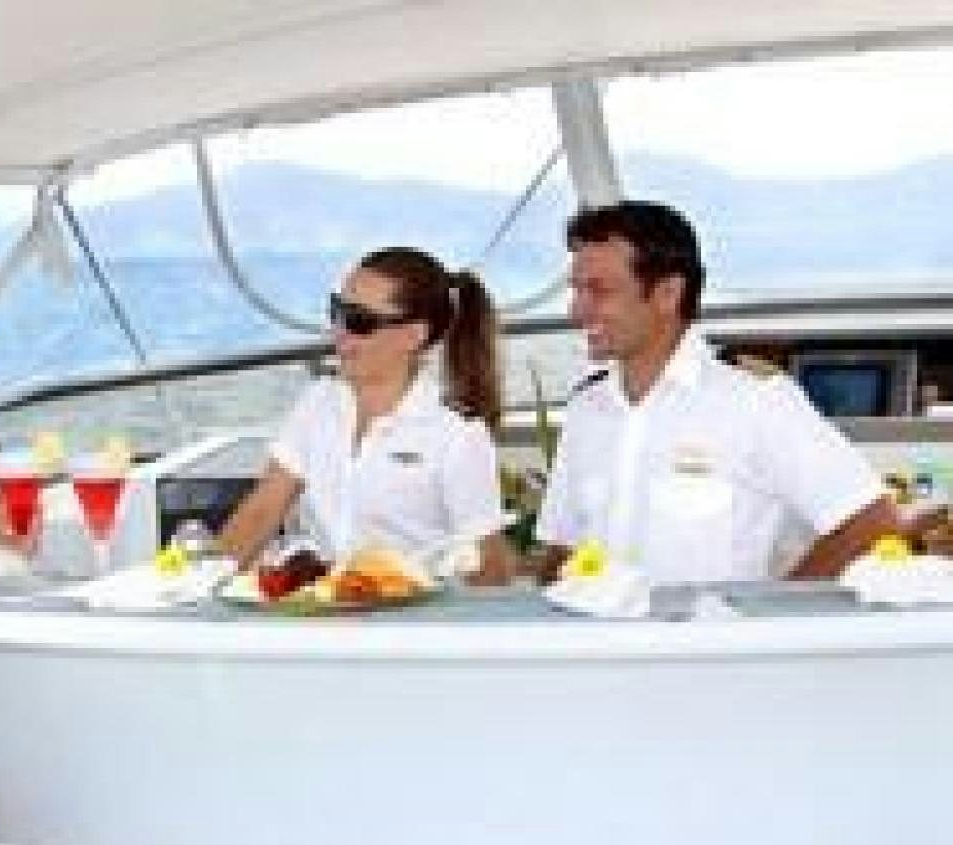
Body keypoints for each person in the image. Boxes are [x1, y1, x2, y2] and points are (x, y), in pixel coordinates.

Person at [537, 200, 896, 584]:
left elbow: (871, 522)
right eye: (577, 290)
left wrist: (770, 617)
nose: (577, 310)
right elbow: (564, 550)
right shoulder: (587, 410)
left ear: (668, 293)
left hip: (706, 641)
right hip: (603, 642)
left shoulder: (756, 402)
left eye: (599, 290)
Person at [217, 247, 512, 583]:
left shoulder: (457, 434)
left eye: (360, 321)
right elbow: (262, 510)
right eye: (338, 312)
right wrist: (197, 588)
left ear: (415, 335)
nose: (340, 333)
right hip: (319, 609)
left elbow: (491, 565)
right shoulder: (318, 404)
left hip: (412, 621)